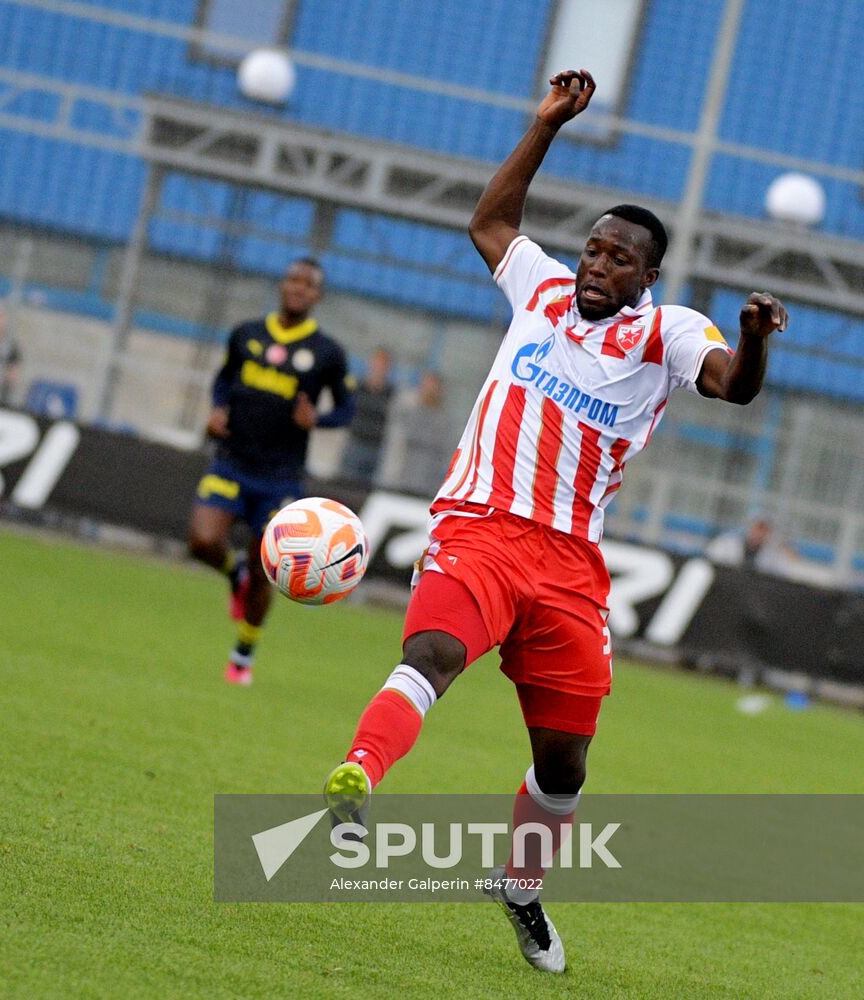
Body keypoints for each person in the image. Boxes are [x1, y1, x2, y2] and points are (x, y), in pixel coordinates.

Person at [322, 70, 787, 973]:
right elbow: (492, 224)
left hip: (571, 562)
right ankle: (357, 781)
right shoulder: (538, 289)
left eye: (617, 258)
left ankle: (521, 886)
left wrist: (757, 335)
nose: (594, 264)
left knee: (566, 764)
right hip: (481, 525)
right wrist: (544, 127)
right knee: (433, 656)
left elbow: (733, 385)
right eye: (591, 248)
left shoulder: (667, 334)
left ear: (648, 277)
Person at [189, 257, 355, 685]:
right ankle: (233, 573)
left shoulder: (327, 353)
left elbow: (347, 409)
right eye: (293, 279)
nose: (299, 287)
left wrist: (317, 420)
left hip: (280, 476)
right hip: (232, 459)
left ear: (317, 296)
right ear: (282, 285)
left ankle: (243, 653)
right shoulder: (246, 334)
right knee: (203, 540)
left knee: (268, 565)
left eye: (309, 284)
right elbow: (224, 379)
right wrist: (218, 408)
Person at [392, 370, 455, 496]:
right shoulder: (410, 410)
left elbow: (445, 450)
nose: (430, 390)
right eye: (427, 385)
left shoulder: (444, 419)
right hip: (403, 478)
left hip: (428, 482)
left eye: (433, 386)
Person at [337, 347, 393, 485]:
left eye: (383, 364)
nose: (379, 368)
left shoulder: (391, 393)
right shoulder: (358, 387)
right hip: (355, 442)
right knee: (345, 484)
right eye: (377, 363)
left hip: (376, 447)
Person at [706, 516, 797, 576]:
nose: (759, 534)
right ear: (749, 527)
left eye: (764, 531)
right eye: (757, 528)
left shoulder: (773, 556)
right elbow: (709, 563)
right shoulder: (726, 544)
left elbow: (783, 573)